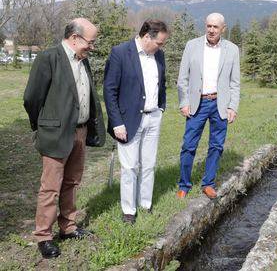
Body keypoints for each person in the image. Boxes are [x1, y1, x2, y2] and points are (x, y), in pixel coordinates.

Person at [23, 18, 106, 259]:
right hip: (56, 134)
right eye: (90, 42)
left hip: (80, 132)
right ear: (74, 38)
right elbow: (32, 98)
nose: (92, 46)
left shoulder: (84, 60)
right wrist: (44, 125)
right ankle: (44, 236)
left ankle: (68, 227)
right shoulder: (49, 58)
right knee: (50, 187)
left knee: (72, 182)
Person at [103, 19, 169, 225]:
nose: (161, 47)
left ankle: (145, 204)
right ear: (147, 36)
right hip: (128, 121)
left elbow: (162, 84)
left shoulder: (159, 55)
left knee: (149, 165)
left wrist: (161, 107)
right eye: (159, 42)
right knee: (130, 167)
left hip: (153, 117)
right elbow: (109, 90)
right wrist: (116, 122)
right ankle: (129, 211)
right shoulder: (121, 53)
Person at [177, 13, 240, 199]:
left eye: (216, 27)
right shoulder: (192, 45)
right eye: (209, 26)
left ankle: (208, 183)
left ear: (223, 28)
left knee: (217, 146)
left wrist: (232, 107)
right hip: (197, 103)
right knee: (189, 145)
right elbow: (183, 79)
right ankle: (184, 185)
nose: (211, 30)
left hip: (220, 103)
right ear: (205, 26)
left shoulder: (232, 49)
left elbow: (235, 82)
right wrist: (184, 102)